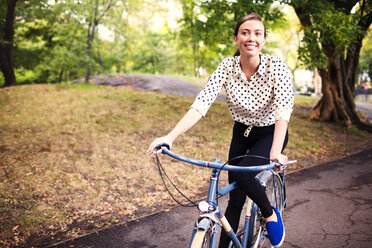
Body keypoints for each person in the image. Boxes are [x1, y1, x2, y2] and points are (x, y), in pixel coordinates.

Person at [147, 13, 293, 248]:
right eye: (245, 33)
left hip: (269, 133)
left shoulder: (276, 67)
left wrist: (275, 151)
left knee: (244, 175)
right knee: (235, 199)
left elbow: (283, 110)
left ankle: (269, 213)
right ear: (236, 38)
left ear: (264, 39)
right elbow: (201, 103)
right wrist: (170, 137)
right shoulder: (227, 67)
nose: (251, 38)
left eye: (257, 33)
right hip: (241, 132)